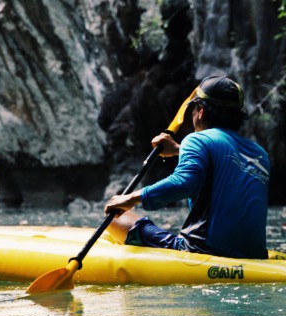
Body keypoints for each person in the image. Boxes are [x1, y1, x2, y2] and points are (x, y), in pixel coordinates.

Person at [103, 75, 270, 259]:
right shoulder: (259, 154)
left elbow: (185, 182)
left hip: (204, 251)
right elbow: (224, 160)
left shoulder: (197, 139)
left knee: (116, 218)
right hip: (254, 255)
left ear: (200, 111)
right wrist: (177, 149)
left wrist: (130, 199)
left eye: (194, 108)